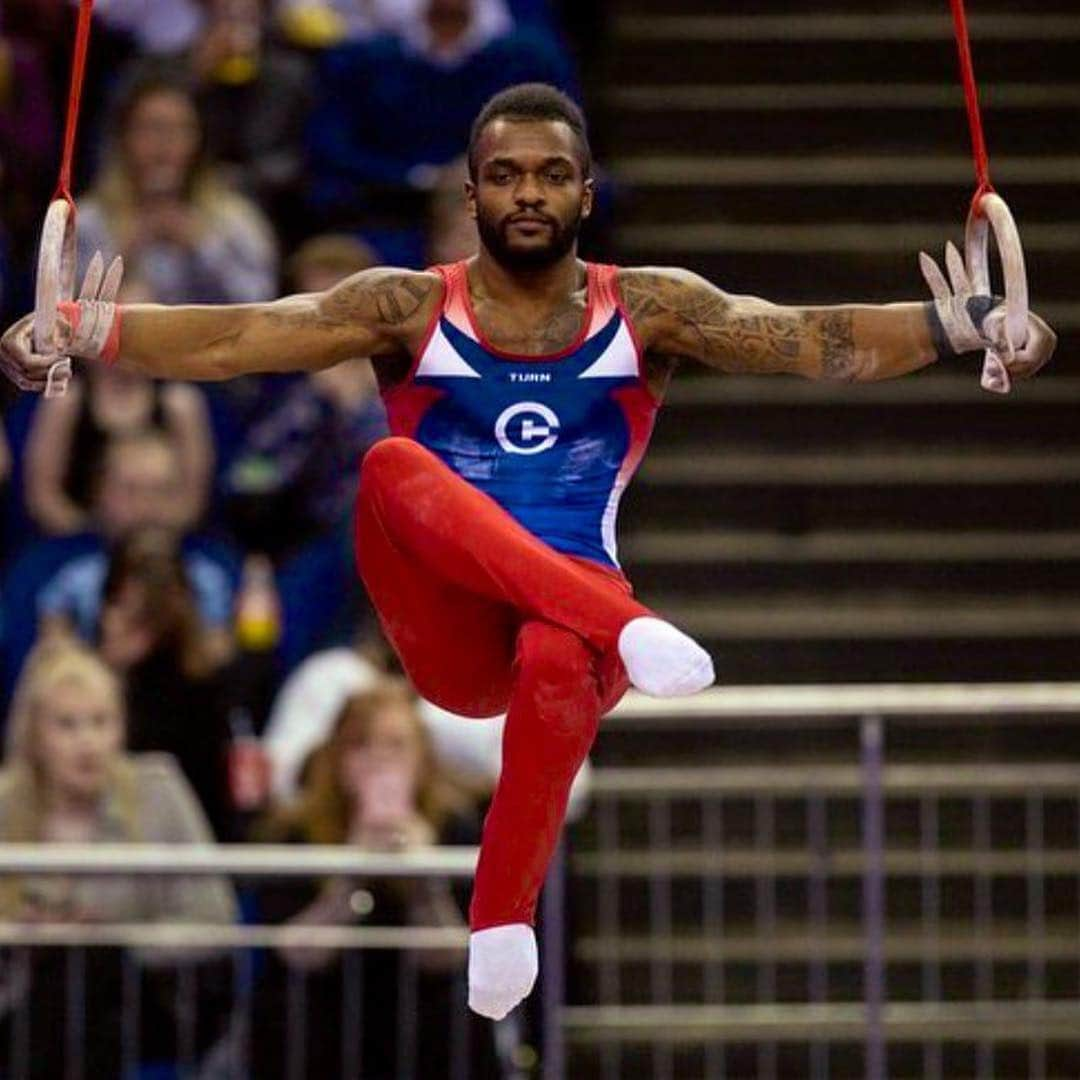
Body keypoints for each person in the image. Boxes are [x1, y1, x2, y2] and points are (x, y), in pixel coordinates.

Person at [1, 83, 1056, 1020]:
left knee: (557, 652)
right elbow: (240, 336)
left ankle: (502, 924)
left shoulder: (650, 307)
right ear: (472, 195)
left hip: (567, 644)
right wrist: (90, 332)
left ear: (587, 192)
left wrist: (963, 324)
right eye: (504, 176)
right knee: (390, 470)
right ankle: (629, 624)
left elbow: (810, 339)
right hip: (455, 634)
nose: (529, 194)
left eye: (553, 175)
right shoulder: (406, 308)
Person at [0, 638, 238, 1077]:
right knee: (63, 973)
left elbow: (214, 917)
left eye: (100, 722)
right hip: (20, 1000)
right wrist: (23, 933)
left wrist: (118, 938)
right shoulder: (5, 804)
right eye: (67, 725)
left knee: (88, 962)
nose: (87, 742)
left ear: (121, 728)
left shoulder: (157, 788)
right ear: (35, 736)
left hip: (145, 999)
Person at [250, 679, 500, 1077]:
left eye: (397, 746)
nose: (380, 760)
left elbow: (451, 957)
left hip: (428, 1028)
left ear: (422, 759)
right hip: (323, 1024)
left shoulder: (458, 830)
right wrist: (352, 873)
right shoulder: (292, 832)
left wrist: (423, 874)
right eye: (361, 746)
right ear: (336, 759)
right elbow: (296, 953)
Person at [23, 279, 214, 536]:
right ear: (89, 328)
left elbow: (191, 502)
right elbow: (43, 496)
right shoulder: (67, 401)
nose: (129, 336)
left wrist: (145, 537)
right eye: (119, 324)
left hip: (162, 540)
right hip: (82, 540)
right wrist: (96, 538)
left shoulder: (180, 404)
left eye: (142, 325)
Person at [75, 70, 277, 305]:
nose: (165, 142)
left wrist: (201, 245)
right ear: (124, 136)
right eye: (152, 127)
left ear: (199, 139)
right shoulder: (86, 221)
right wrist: (123, 253)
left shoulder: (235, 219)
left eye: (181, 128)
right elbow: (60, 312)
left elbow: (260, 302)